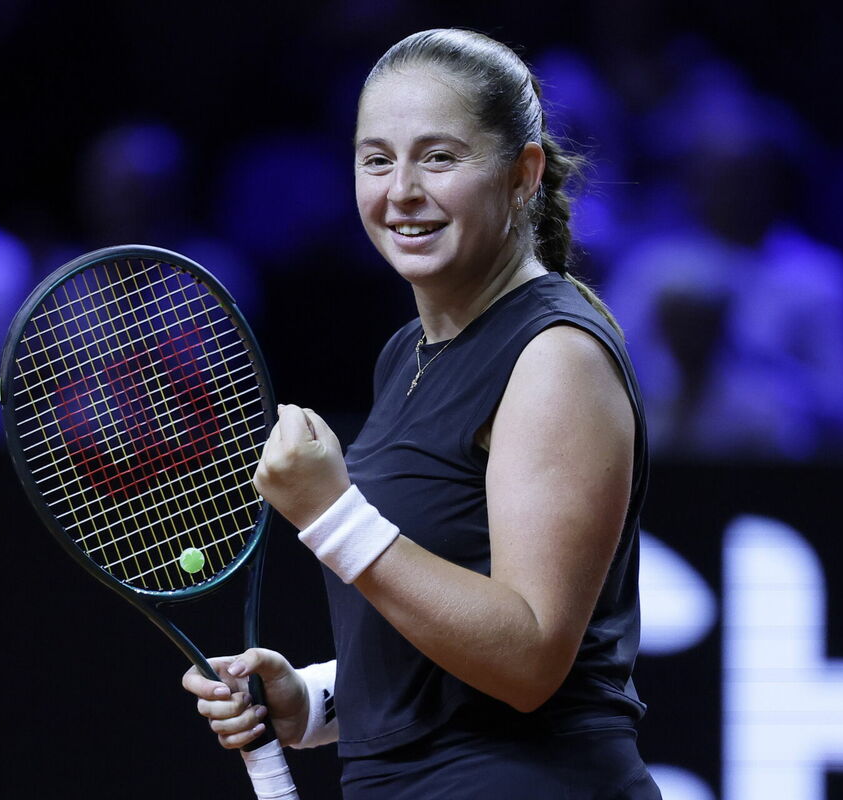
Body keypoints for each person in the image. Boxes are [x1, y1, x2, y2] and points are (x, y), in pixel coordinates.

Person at [182, 29, 660, 799]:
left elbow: (532, 658)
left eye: (439, 157)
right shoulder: (406, 351)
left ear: (521, 175)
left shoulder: (556, 357)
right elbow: (447, 642)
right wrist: (313, 701)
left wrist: (333, 515)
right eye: (377, 159)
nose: (401, 189)